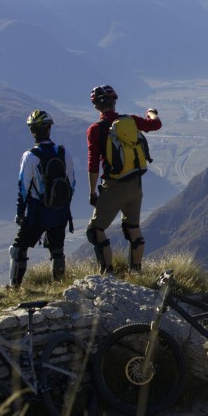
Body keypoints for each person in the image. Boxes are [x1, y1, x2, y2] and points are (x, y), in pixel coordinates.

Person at [86, 85, 162, 274]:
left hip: (114, 186)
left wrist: (93, 191)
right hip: (135, 184)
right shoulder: (131, 121)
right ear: (114, 102)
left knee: (95, 231)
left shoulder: (95, 130)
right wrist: (151, 113)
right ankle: (136, 272)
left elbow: (93, 163)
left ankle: (107, 275)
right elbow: (155, 124)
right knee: (132, 227)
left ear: (95, 105)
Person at [9, 110, 76, 287]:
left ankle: (14, 288)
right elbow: (72, 183)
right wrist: (61, 204)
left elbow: (23, 188)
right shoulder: (63, 152)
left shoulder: (30, 156)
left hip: (36, 213)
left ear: (33, 131)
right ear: (49, 129)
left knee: (18, 249)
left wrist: (19, 213)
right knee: (57, 250)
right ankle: (60, 286)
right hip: (60, 212)